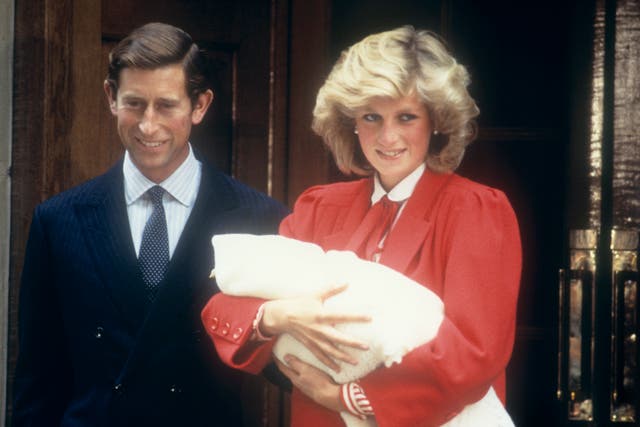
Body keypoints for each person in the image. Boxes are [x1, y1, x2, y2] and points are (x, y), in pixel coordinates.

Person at [202, 25, 522, 427]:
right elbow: (226, 304)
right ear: (350, 121)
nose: (388, 137)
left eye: (406, 117)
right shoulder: (319, 207)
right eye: (371, 116)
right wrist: (280, 317)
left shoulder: (475, 210)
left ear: (436, 121)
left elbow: (474, 356)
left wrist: (345, 396)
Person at [12, 22, 288, 427]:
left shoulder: (259, 218)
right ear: (111, 97)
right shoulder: (58, 221)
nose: (148, 125)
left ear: (200, 105)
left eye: (166, 106)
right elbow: (37, 383)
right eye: (135, 104)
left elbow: (287, 367)